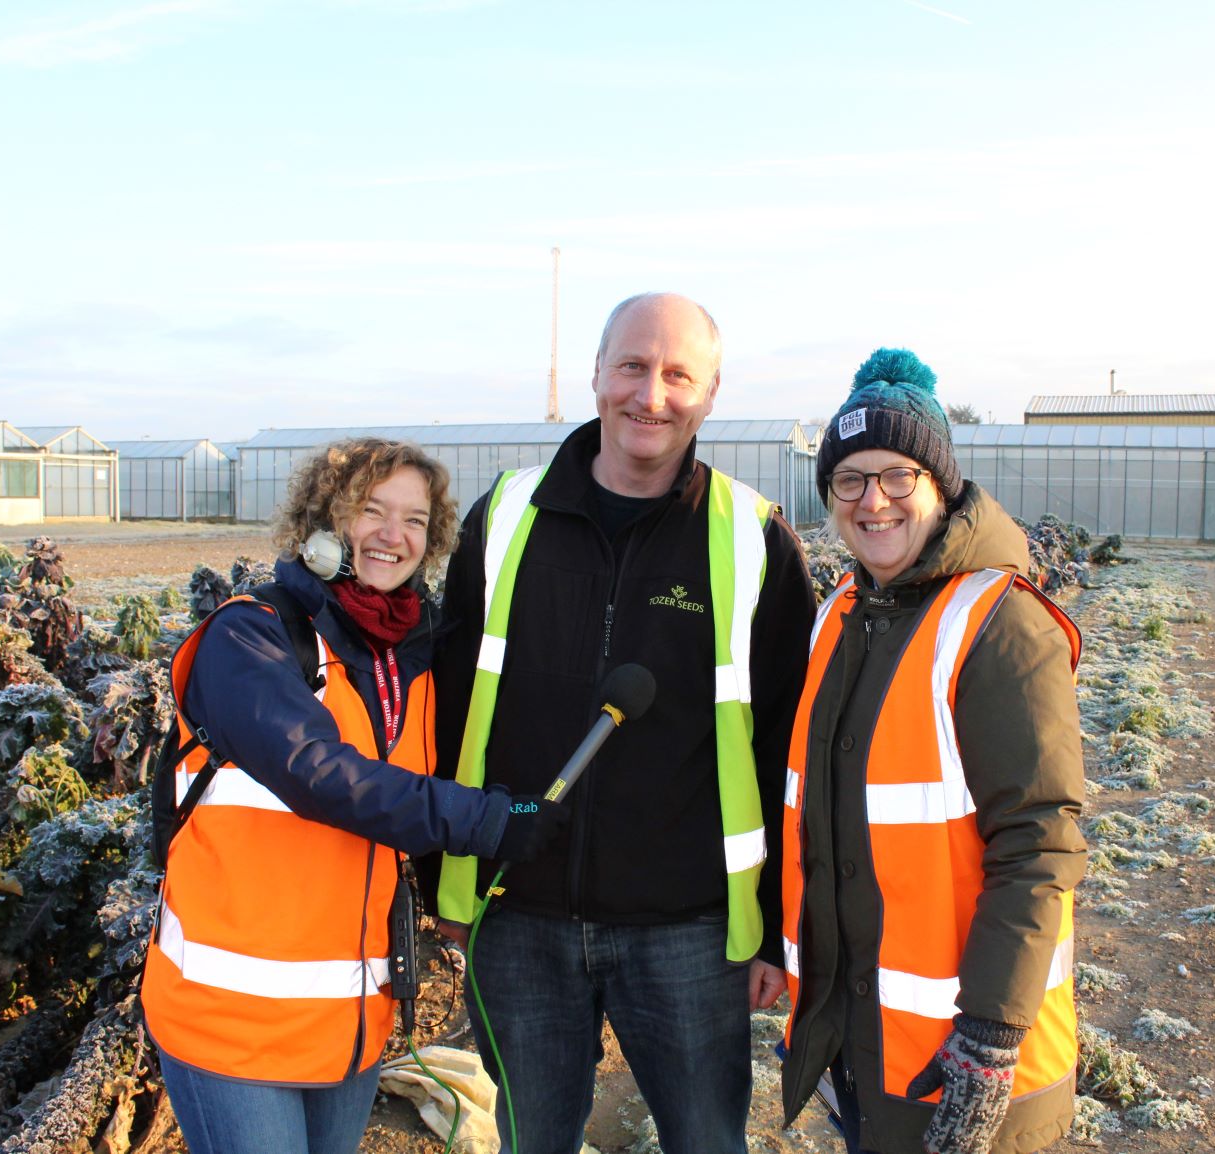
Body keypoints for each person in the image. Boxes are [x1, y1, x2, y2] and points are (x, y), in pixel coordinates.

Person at [430, 292, 817, 1154]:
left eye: (679, 374)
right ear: (594, 376)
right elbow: (450, 702)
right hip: (517, 914)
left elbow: (789, 749)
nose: (652, 394)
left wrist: (780, 929)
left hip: (689, 931)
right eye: (634, 367)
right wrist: (444, 882)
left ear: (710, 394)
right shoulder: (503, 519)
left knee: (707, 1141)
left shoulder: (755, 539)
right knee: (536, 1140)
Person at [139, 438, 568, 1154]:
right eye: (372, 511)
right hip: (231, 1022)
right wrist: (489, 821)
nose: (392, 536)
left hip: (348, 1023)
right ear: (326, 517)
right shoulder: (253, 635)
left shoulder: (407, 659)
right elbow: (317, 772)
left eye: (415, 520)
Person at [778, 349, 1087, 1154]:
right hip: (868, 1043)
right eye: (850, 479)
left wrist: (988, 1041)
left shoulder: (999, 623)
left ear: (939, 483)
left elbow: (1040, 841)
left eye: (897, 475)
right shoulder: (844, 611)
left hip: (967, 1058)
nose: (872, 500)